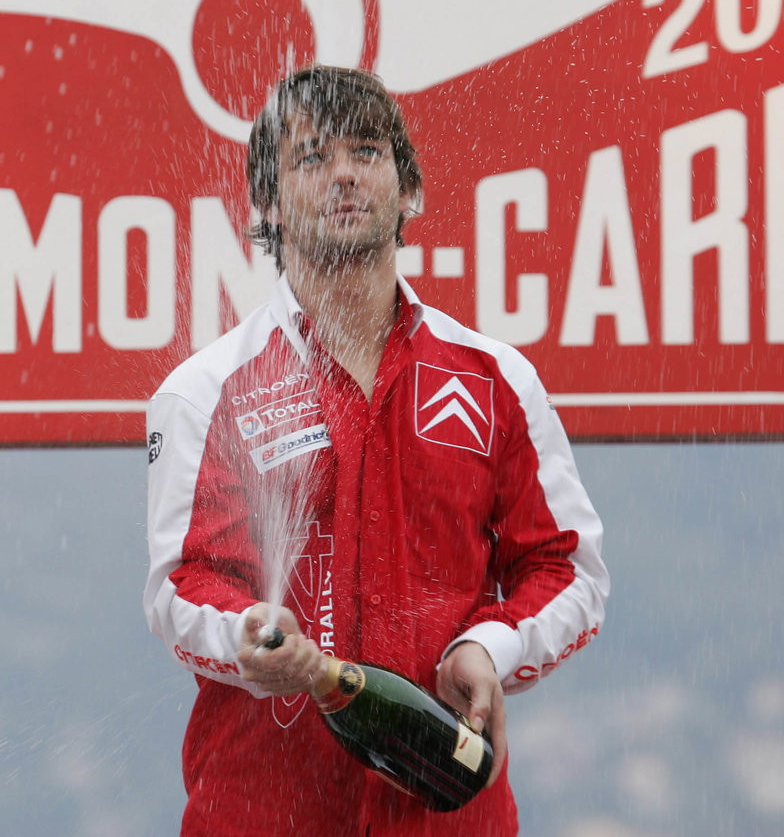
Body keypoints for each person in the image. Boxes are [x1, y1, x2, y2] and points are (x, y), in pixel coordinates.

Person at [143, 66, 607, 835]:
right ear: (267, 203)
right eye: (312, 157)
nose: (346, 174)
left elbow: (567, 570)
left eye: (368, 150)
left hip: (451, 813)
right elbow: (181, 585)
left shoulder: (496, 380)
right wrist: (249, 633)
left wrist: (488, 646)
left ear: (410, 189)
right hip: (260, 815)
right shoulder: (205, 393)